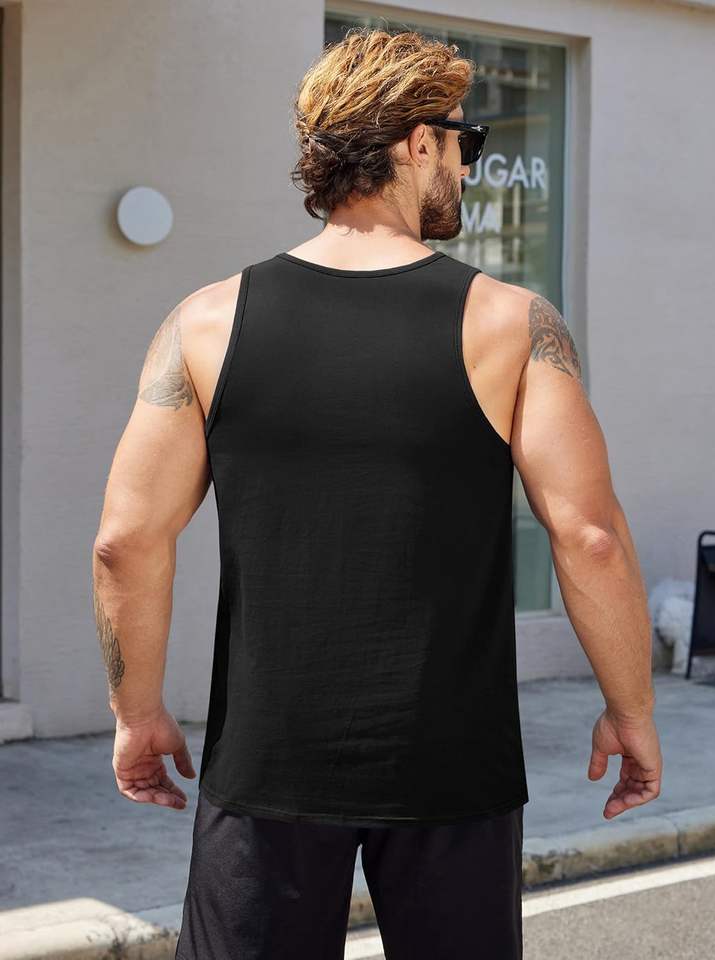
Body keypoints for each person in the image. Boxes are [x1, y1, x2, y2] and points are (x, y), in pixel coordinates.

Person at [92, 26, 662, 960]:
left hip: (267, 761)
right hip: (453, 766)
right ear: (417, 143)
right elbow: (588, 536)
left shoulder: (204, 322)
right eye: (465, 142)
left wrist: (137, 712)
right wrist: (630, 711)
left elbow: (126, 540)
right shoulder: (510, 323)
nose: (468, 168)